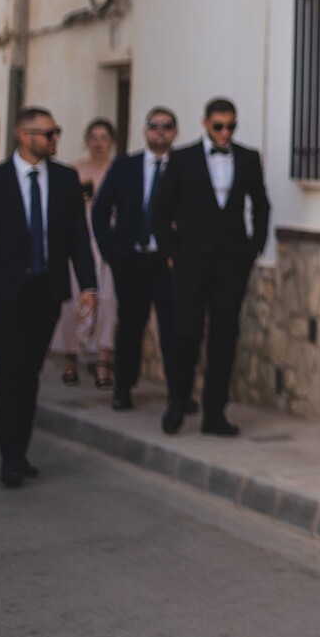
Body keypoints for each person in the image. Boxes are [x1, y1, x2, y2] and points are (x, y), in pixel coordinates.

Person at [0, 109, 98, 486]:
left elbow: (76, 237)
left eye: (56, 132)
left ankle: (19, 450)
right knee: (8, 370)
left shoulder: (67, 179)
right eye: (48, 133)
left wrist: (89, 285)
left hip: (46, 292)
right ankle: (11, 459)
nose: (55, 139)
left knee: (30, 372)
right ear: (24, 135)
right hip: (3, 293)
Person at [155, 97, 269, 437]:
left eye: (231, 126)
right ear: (205, 124)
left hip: (231, 263)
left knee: (225, 337)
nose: (225, 133)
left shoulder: (248, 158)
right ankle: (176, 402)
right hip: (190, 262)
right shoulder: (182, 158)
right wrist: (170, 252)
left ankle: (214, 413)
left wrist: (253, 248)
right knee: (185, 333)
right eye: (218, 126)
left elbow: (261, 204)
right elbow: (160, 210)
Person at [91, 108, 180, 411]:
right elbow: (100, 211)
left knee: (173, 327)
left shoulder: (184, 167)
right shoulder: (124, 167)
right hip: (131, 260)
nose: (160, 132)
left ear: (175, 132)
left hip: (168, 263)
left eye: (166, 127)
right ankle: (123, 388)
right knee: (129, 326)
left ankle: (177, 393)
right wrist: (111, 252)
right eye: (154, 126)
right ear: (145, 131)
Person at [53, 118, 120, 388]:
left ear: (112, 141)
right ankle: (71, 357)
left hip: (109, 241)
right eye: (93, 137)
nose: (98, 142)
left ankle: (104, 361)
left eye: (104, 137)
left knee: (108, 302)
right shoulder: (75, 170)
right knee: (73, 302)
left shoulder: (119, 169)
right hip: (79, 240)